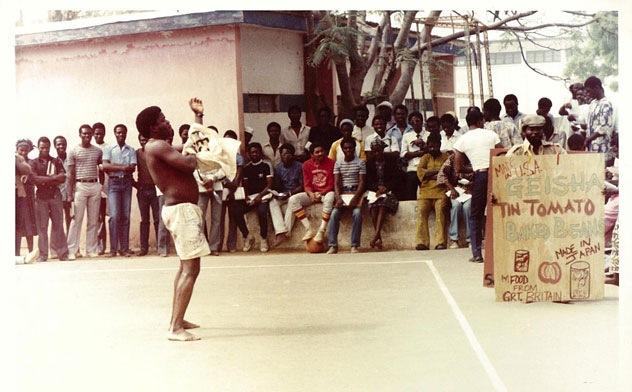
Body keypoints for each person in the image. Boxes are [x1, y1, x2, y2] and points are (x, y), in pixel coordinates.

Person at [137, 105, 210, 342]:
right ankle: (176, 327)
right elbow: (189, 164)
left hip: (180, 210)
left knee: (184, 267)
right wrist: (199, 153)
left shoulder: (160, 146)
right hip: (181, 211)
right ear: (152, 127)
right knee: (191, 269)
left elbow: (188, 147)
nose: (168, 122)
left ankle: (178, 318)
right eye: (162, 119)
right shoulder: (156, 146)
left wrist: (198, 116)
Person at [453, 110, 503, 262]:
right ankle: (501, 251)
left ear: (468, 123)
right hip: (496, 174)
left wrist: (475, 167)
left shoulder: (462, 140)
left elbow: (458, 168)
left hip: (480, 175)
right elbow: (502, 155)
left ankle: (477, 254)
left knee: (476, 215)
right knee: (500, 211)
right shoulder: (491, 134)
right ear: (481, 121)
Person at [29, 137, 69, 262]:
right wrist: (52, 179)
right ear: (38, 147)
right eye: (42, 148)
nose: (45, 150)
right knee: (42, 227)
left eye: (47, 147)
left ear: (50, 147)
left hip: (55, 196)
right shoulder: (33, 163)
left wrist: (44, 179)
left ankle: (62, 254)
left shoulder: (55, 161)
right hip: (41, 198)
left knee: (59, 226)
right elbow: (34, 179)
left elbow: (63, 177)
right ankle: (43, 255)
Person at [66, 124, 103, 260]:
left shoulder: (98, 151)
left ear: (92, 134)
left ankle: (91, 249)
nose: (87, 136)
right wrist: (70, 193)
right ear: (80, 134)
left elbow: (101, 168)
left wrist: (101, 186)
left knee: (93, 220)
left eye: (89, 134)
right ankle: (72, 250)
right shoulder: (73, 151)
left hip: (94, 185)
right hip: (80, 186)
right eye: (84, 134)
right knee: (76, 220)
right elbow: (69, 174)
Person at [286, 142, 335, 242]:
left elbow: (332, 184)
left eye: (322, 151)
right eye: (317, 152)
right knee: (293, 199)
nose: (320, 153)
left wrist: (320, 193)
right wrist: (311, 193)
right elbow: (306, 184)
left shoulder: (331, 163)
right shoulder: (306, 165)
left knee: (330, 197)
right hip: (312, 194)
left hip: (326, 193)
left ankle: (322, 230)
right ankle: (309, 229)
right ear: (311, 154)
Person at [327, 138, 366, 254]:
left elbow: (362, 183)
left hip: (356, 192)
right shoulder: (338, 163)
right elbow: (336, 183)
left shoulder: (361, 163)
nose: (348, 150)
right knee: (334, 214)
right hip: (343, 193)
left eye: (350, 148)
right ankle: (333, 245)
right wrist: (338, 198)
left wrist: (355, 198)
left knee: (357, 214)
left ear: (354, 149)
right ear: (342, 149)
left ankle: (354, 245)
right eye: (345, 148)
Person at [102, 124, 136, 257]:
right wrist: (122, 167)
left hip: (126, 183)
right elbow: (105, 166)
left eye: (123, 133)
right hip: (114, 183)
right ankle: (113, 249)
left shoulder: (131, 150)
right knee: (114, 216)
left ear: (126, 134)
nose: (121, 135)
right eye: (118, 132)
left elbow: (132, 168)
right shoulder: (109, 149)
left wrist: (114, 166)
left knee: (125, 216)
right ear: (115, 134)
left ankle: (124, 248)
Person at [415, 132, 449, 251]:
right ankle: (422, 242)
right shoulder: (425, 157)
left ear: (439, 145)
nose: (432, 147)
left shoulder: (446, 157)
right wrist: (437, 171)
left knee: (441, 213)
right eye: (430, 145)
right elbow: (420, 173)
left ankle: (440, 242)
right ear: (427, 145)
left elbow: (446, 173)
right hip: (425, 193)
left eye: (435, 145)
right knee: (421, 212)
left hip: (441, 193)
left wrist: (429, 173)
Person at [366, 138, 401, 250]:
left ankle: (376, 236)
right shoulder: (369, 163)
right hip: (375, 192)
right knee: (373, 207)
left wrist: (386, 188)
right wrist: (377, 188)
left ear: (383, 150)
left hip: (389, 192)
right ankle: (379, 238)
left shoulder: (390, 161)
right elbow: (368, 181)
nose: (377, 153)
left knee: (382, 205)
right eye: (375, 151)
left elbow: (396, 178)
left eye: (379, 150)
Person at [241, 143, 276, 252]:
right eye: (252, 152)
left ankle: (263, 238)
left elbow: (269, 185)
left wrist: (259, 197)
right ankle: (247, 236)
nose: (254, 154)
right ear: (249, 154)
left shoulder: (266, 165)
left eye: (256, 152)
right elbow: (245, 186)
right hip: (251, 197)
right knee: (236, 210)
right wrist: (246, 197)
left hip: (263, 196)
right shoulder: (246, 168)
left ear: (260, 153)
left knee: (262, 211)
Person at [437, 150, 473, 249]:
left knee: (467, 208)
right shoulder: (452, 159)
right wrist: (452, 189)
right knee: (456, 206)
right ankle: (454, 239)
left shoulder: (473, 158)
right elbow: (442, 176)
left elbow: (480, 175)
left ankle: (471, 239)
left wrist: (471, 186)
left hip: (469, 191)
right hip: (455, 190)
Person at [270, 143, 303, 246]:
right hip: (283, 194)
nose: (286, 156)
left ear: (293, 155)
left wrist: (289, 193)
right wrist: (276, 193)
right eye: (284, 154)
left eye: (289, 154)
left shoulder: (300, 166)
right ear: (280, 155)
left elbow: (302, 186)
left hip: (295, 194)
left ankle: (286, 232)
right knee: (273, 202)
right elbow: (278, 186)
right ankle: (280, 231)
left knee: (293, 201)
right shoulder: (278, 168)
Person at [135, 133, 160, 256]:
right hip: (143, 190)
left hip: (155, 189)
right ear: (139, 141)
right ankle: (144, 248)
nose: (143, 142)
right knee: (144, 220)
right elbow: (131, 168)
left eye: (145, 140)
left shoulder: (155, 153)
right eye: (141, 140)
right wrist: (136, 185)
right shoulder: (137, 153)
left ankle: (160, 247)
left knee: (157, 219)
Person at [15, 139, 38, 258]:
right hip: (16, 197)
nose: (23, 152)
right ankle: (16, 253)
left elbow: (33, 176)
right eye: (21, 150)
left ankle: (30, 252)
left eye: (26, 150)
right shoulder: (13, 161)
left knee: (29, 224)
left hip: (28, 197)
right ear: (17, 149)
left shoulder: (31, 162)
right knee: (17, 224)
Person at [400, 111, 428, 200]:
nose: (415, 123)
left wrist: (424, 144)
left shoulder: (429, 135)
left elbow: (432, 151)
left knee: (426, 193)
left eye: (417, 121)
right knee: (410, 195)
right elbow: (403, 154)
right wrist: (419, 153)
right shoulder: (407, 136)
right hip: (412, 169)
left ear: (422, 121)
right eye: (412, 122)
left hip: (426, 168)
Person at [584, 76, 615, 153]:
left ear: (597, 87)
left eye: (589, 91)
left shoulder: (606, 104)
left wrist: (589, 138)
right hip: (590, 145)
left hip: (601, 146)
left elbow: (604, 127)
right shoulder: (593, 103)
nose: (588, 94)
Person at [93, 122, 110, 255]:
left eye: (101, 133)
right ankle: (97, 246)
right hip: (93, 187)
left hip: (106, 188)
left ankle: (104, 245)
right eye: (96, 133)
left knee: (105, 217)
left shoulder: (108, 148)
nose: (99, 135)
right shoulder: (91, 148)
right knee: (97, 218)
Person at [53, 136, 73, 233]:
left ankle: (72, 246)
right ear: (54, 146)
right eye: (58, 144)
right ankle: (61, 246)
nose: (61, 146)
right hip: (58, 195)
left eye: (63, 144)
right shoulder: (52, 161)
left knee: (71, 220)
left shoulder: (72, 160)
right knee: (58, 221)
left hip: (71, 195)